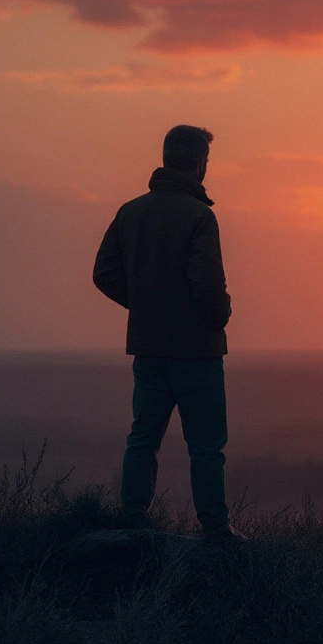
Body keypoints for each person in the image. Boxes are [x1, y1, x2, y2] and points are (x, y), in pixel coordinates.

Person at [93, 125, 245, 544]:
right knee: (206, 445)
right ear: (199, 164)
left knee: (143, 436)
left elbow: (103, 273)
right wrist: (222, 314)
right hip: (196, 351)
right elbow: (207, 288)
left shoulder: (131, 211)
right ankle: (215, 527)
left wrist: (144, 307)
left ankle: (132, 516)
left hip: (148, 348)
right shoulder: (200, 216)